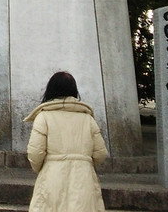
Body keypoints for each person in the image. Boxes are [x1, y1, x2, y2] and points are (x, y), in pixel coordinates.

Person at [24, 71, 108, 212]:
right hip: (84, 178)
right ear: (74, 91)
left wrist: (45, 167)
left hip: (52, 177)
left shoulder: (44, 117)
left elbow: (35, 153)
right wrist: (84, 162)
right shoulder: (87, 119)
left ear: (50, 90)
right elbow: (100, 153)